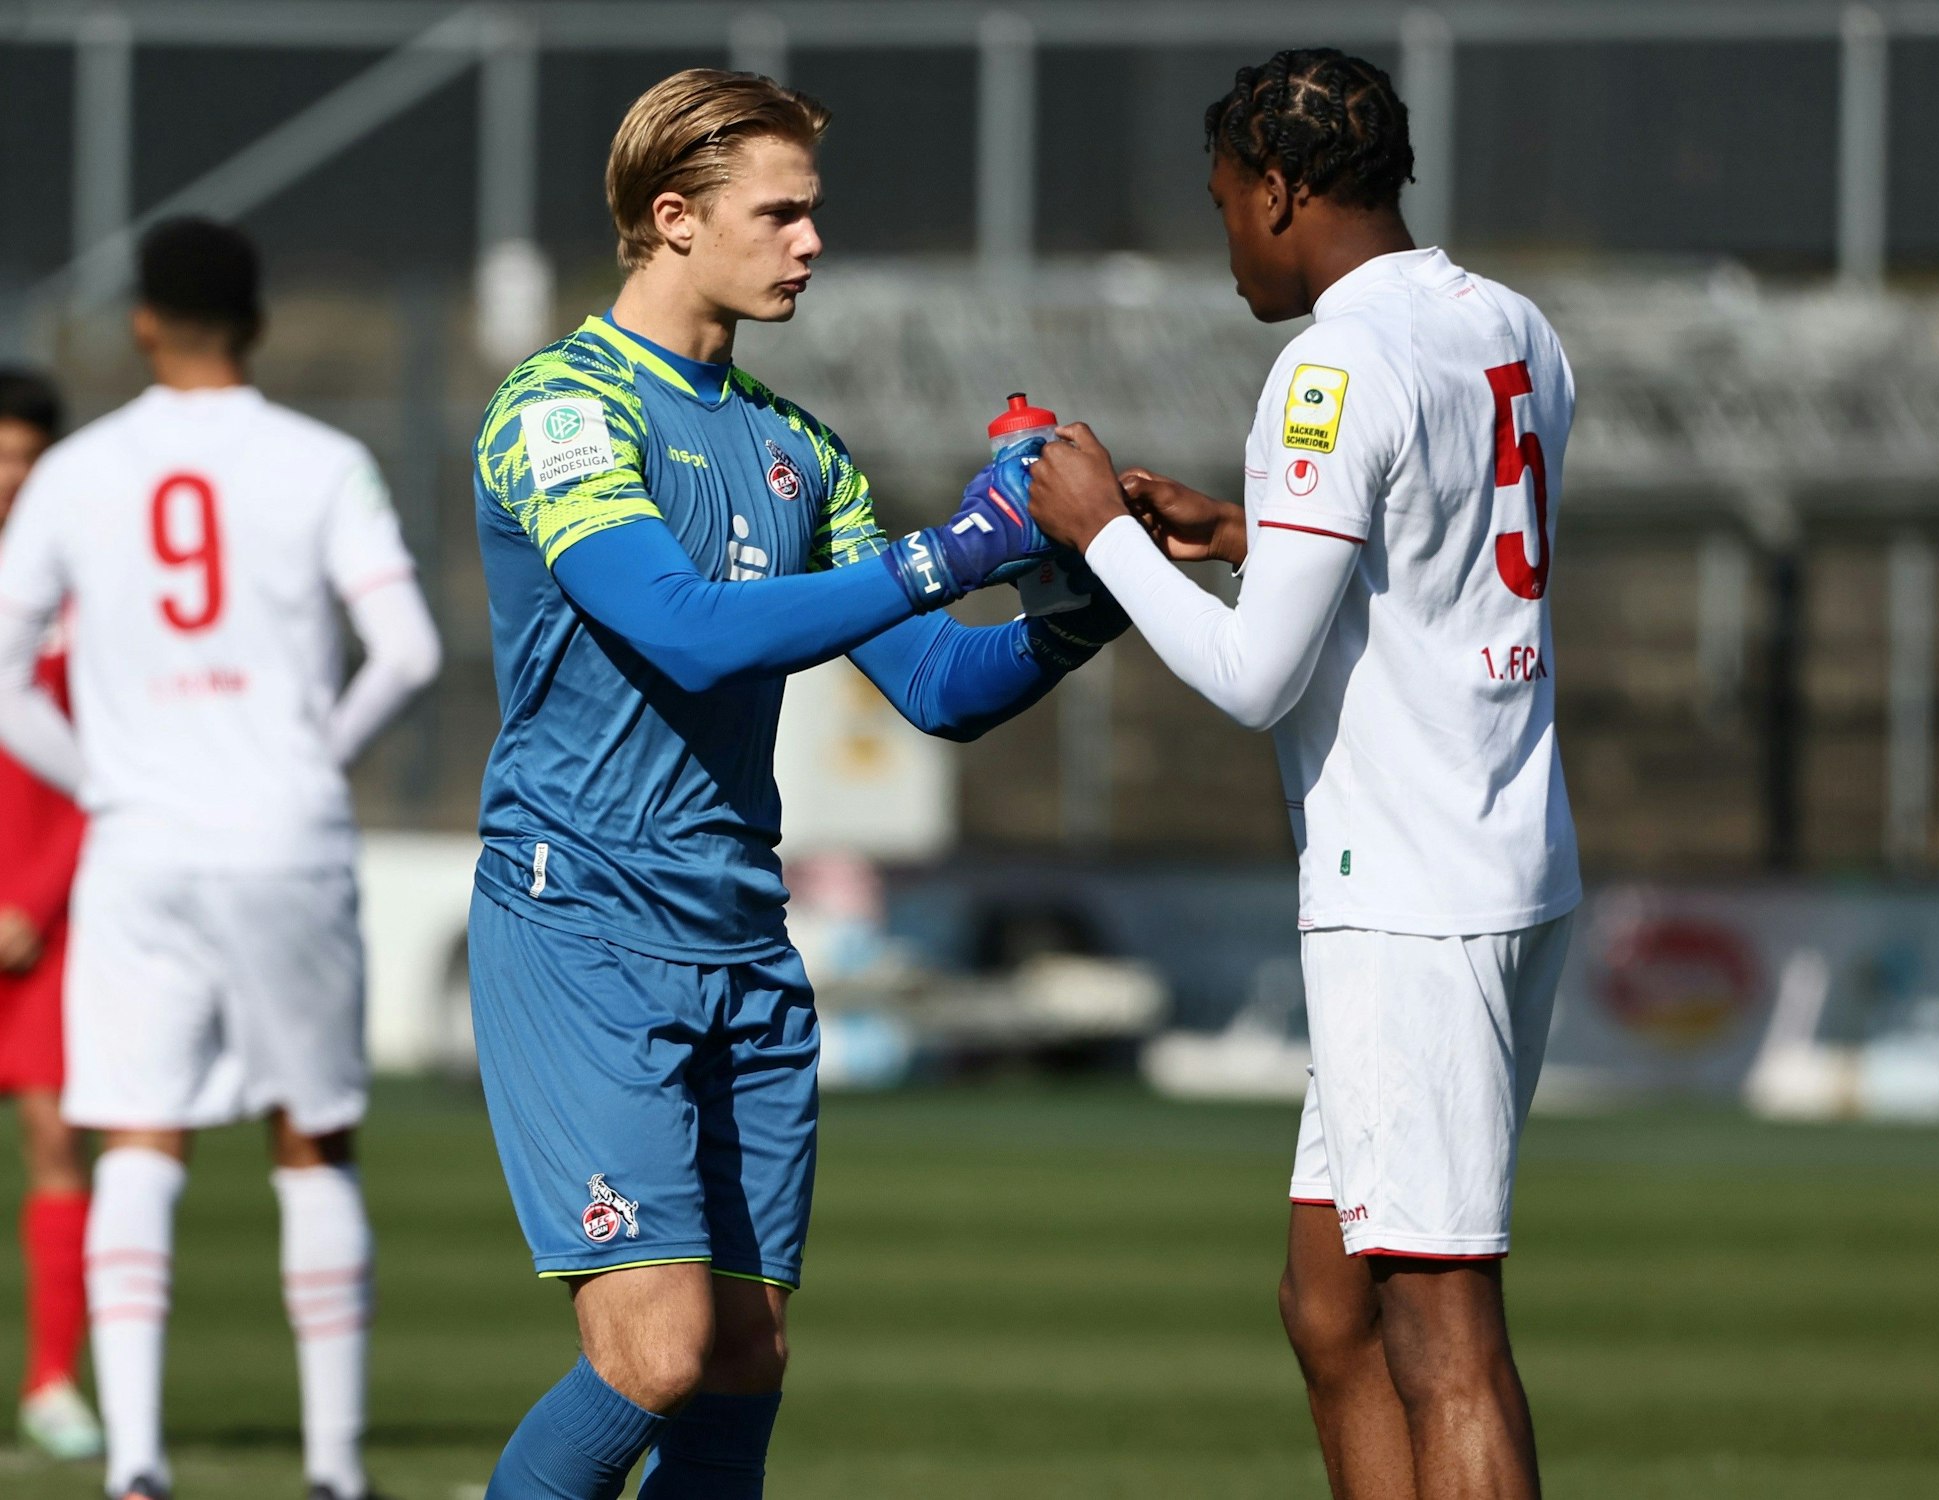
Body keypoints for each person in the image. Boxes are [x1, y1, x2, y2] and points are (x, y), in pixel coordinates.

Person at [469, 68, 1124, 1500]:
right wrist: (954, 549)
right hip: (582, 926)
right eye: (779, 213)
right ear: (672, 217)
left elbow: (937, 687)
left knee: (744, 1359)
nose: (810, 242)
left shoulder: (798, 449)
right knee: (655, 1352)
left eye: (811, 211)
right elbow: (682, 629)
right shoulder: (560, 411)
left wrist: (1085, 601)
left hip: (740, 938)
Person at [1029, 48, 1579, 1500]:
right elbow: (1436, 562)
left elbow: (1251, 678)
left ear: (1277, 190)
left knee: (1443, 1335)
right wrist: (1244, 535)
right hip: (1502, 847)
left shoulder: (1328, 364)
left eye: (1224, 203)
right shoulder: (1509, 323)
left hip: (1408, 894)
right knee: (1327, 1305)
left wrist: (1103, 536)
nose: (1225, 240)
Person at [0, 218, 443, 1500]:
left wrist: (108, 781)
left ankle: (136, 1463)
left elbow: (6, 672)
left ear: (144, 322)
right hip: (283, 837)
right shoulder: (320, 461)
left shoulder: (80, 470)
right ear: (254, 321)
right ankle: (334, 1469)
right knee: (313, 1138)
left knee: (138, 1142)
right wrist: (315, 755)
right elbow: (409, 651)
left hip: (139, 848)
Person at [0, 368, 103, 1461]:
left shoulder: (83, 591)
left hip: (49, 912)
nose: (10, 475)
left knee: (56, 1138)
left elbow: (110, 754)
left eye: (26, 456)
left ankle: (50, 1381)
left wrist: (34, 894)